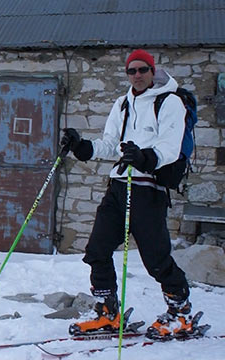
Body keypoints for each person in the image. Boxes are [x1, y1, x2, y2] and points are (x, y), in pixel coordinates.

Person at [60, 49, 200, 340]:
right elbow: (112, 144)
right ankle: (107, 313)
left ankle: (181, 313)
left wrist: (145, 157)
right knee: (97, 252)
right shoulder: (122, 103)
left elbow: (170, 147)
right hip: (119, 187)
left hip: (149, 190)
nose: (137, 75)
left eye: (142, 70)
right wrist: (84, 147)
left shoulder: (170, 102)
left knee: (156, 259)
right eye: (131, 71)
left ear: (152, 70)